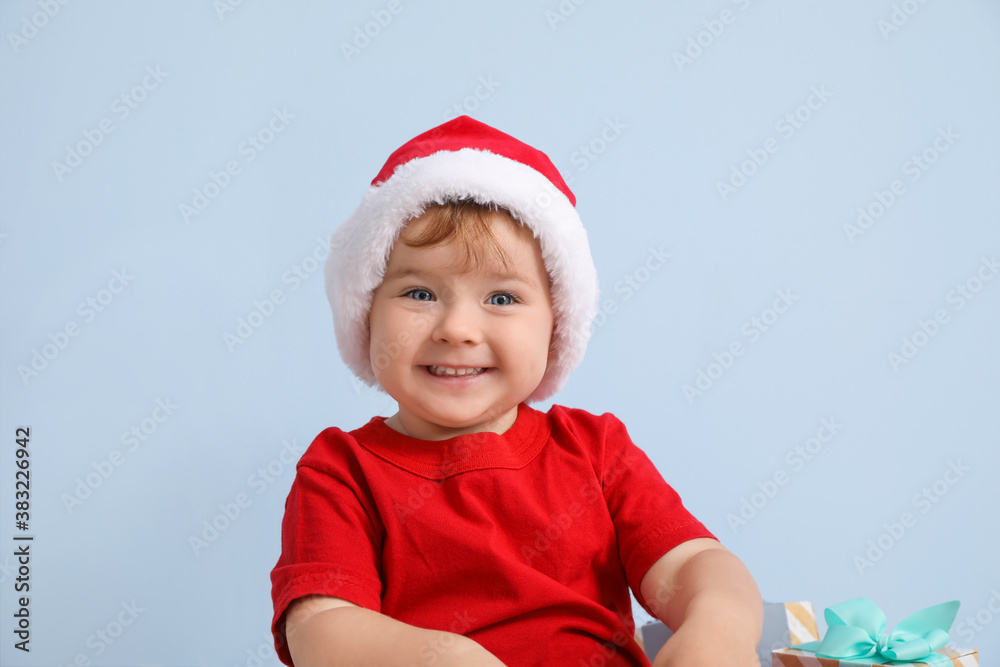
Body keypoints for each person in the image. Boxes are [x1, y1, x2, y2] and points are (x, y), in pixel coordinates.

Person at [269, 115, 763, 666]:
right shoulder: (342, 470)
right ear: (365, 313)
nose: (457, 329)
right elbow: (319, 629)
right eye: (419, 292)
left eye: (502, 298)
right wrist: (442, 656)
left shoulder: (596, 451)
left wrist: (718, 627)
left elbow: (690, 564)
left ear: (558, 327)